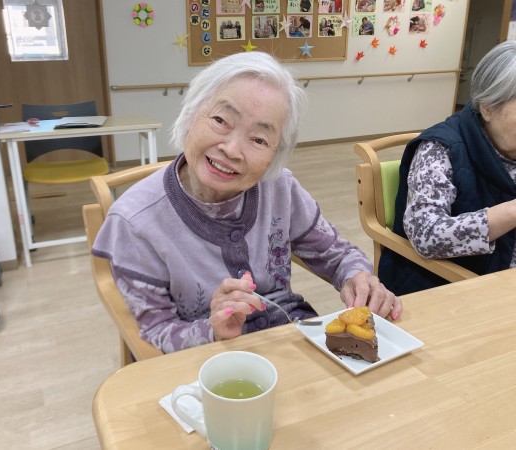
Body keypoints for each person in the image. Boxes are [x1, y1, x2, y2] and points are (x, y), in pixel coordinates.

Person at [92, 52, 402, 354]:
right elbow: (157, 331)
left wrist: (358, 278)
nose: (231, 149)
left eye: (259, 139)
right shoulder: (134, 220)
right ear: (190, 114)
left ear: (276, 153)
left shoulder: (279, 187)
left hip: (287, 340)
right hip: (203, 361)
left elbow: (336, 253)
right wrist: (212, 329)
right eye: (220, 120)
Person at [379, 41, 516, 295]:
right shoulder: (440, 148)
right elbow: (426, 234)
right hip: (448, 289)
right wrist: (511, 212)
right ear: (487, 107)